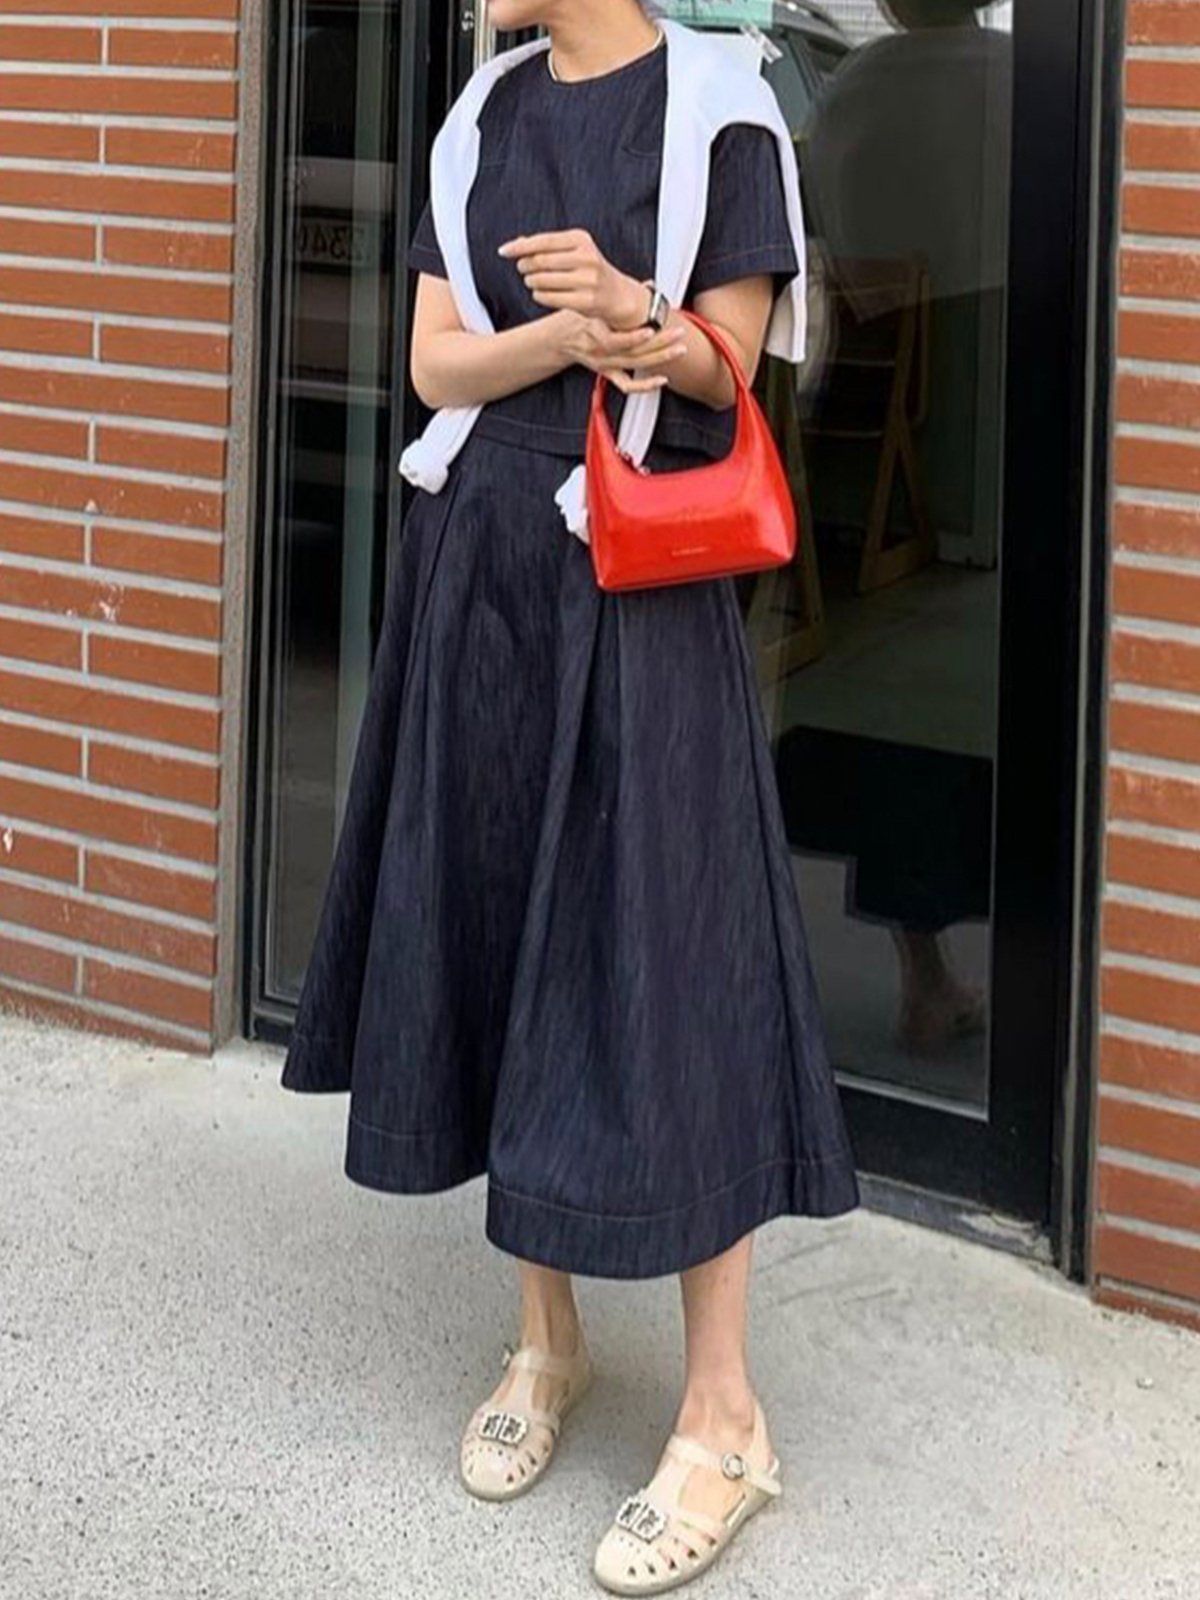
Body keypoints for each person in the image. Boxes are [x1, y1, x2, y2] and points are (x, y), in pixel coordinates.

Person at [281, 3, 859, 1591]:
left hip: (638, 575)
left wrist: (637, 318)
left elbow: (731, 363)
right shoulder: (485, 112)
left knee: (665, 955)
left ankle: (726, 1416)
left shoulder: (724, 108)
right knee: (489, 925)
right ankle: (548, 1341)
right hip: (481, 569)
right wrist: (562, 336)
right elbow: (430, 362)